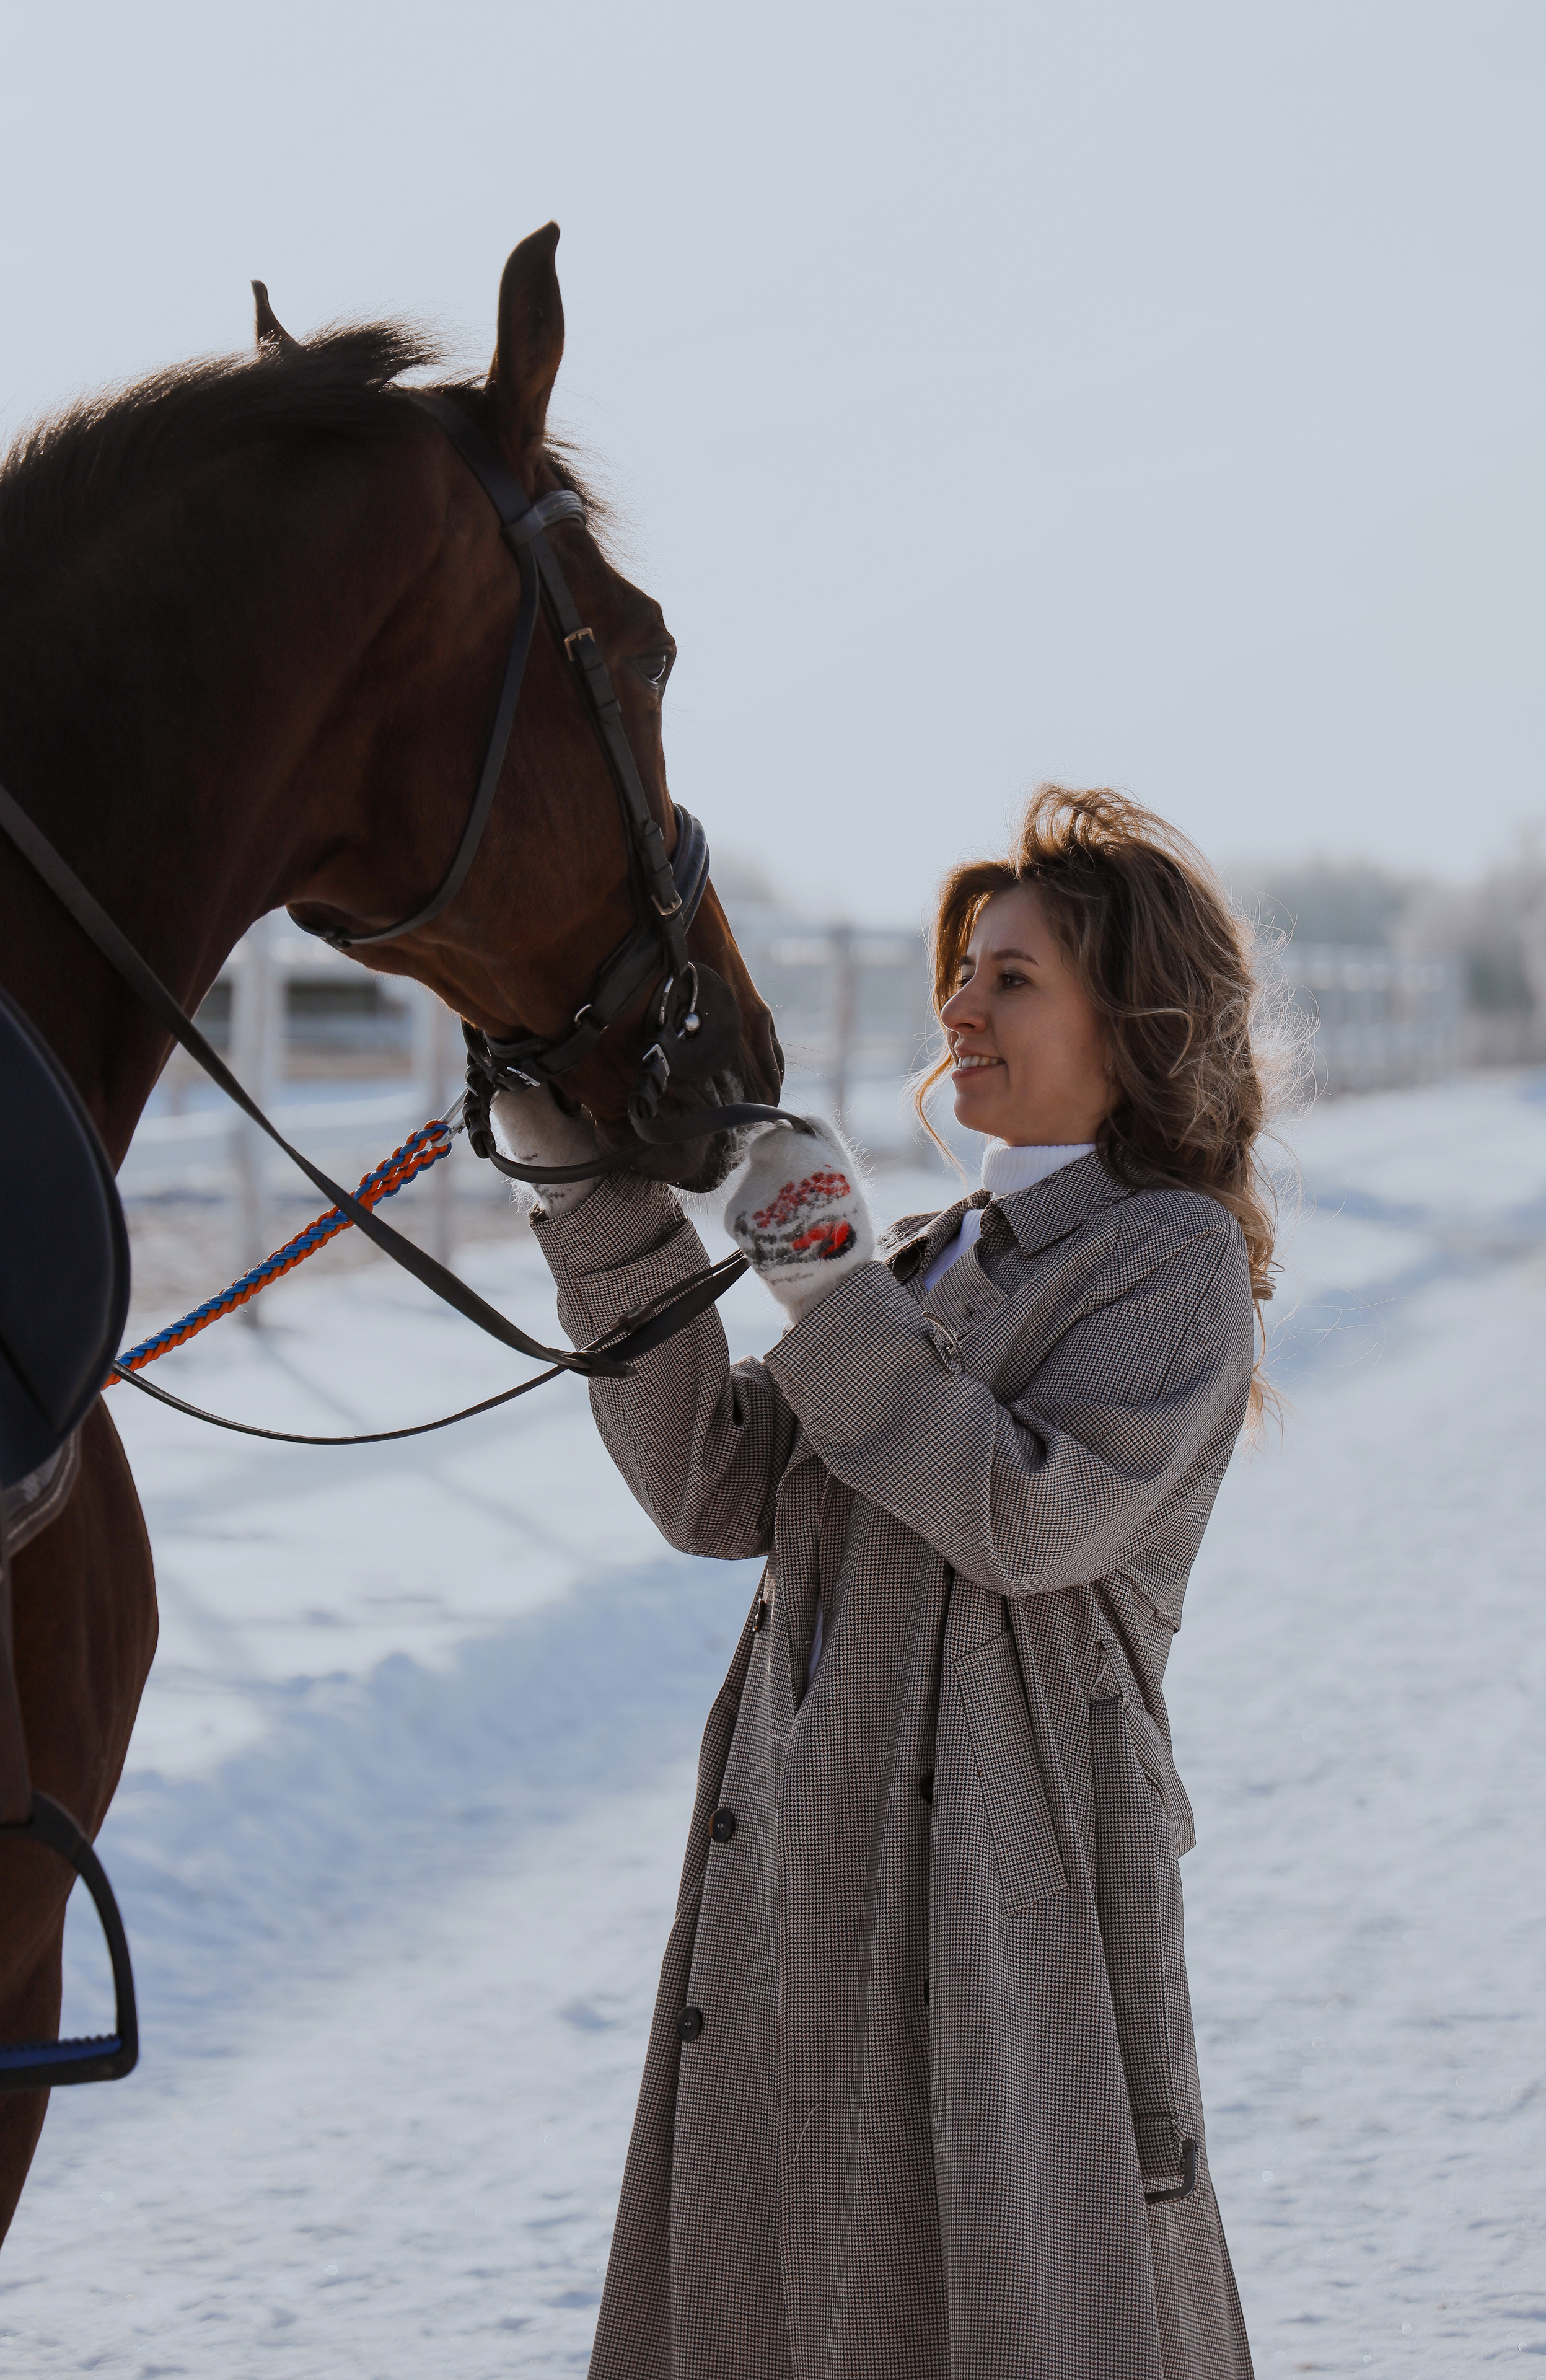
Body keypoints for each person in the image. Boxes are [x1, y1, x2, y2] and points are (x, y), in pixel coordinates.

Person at [495, 785, 1272, 2379]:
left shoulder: (1169, 1259)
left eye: (1012, 978)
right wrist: (593, 1196)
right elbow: (717, 1480)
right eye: (963, 970)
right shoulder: (925, 1258)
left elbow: (1020, 1515)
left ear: (1129, 1021)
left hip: (1006, 1887)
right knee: (771, 2293)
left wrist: (825, 1281)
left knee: (1000, 2301)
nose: (959, 1007)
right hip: (798, 1855)